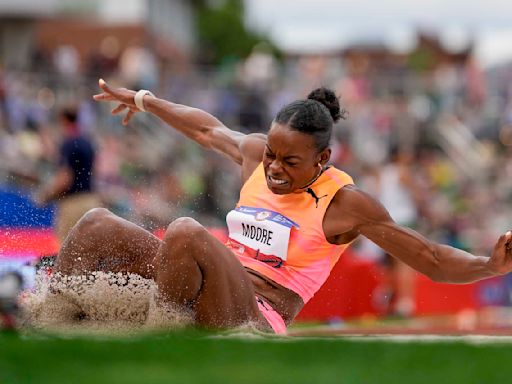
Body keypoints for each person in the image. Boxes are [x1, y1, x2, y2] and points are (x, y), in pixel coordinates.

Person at [51, 79, 512, 334]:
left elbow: (429, 258)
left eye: (290, 162)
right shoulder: (258, 155)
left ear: (322, 159)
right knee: (96, 224)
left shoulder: (345, 204)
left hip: (257, 314)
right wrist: (143, 99)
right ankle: (52, 322)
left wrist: (489, 266)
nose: (273, 167)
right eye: (271, 153)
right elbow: (207, 130)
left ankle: (161, 339)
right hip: (206, 280)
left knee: (187, 232)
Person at [34, 106, 101, 245]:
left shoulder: (69, 143)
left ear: (63, 120)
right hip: (91, 201)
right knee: (89, 249)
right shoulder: (87, 142)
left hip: (72, 204)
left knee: (66, 251)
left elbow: (65, 179)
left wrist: (46, 196)